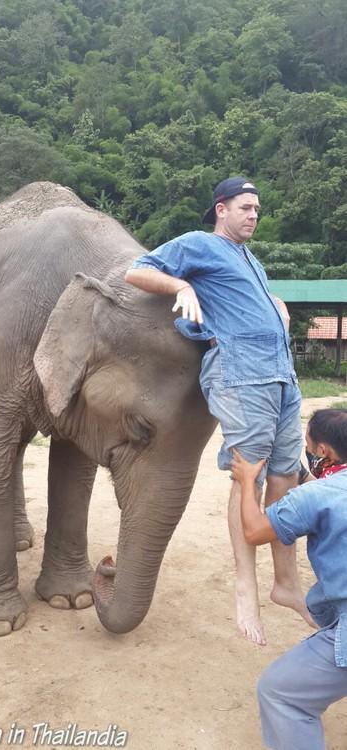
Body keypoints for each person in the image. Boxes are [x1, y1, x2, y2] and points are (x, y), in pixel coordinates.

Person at [125, 176, 314, 645]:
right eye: (245, 207)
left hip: (282, 375)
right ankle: (245, 585)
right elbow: (136, 269)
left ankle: (286, 583)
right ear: (221, 209)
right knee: (248, 473)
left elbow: (247, 301)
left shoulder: (251, 259)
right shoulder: (199, 244)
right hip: (240, 370)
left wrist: (276, 306)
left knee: (286, 477)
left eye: (257, 209)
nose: (253, 215)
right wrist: (179, 285)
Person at [230, 408, 347, 750]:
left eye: (306, 441)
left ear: (322, 450)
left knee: (281, 693)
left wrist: (249, 481)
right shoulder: (326, 489)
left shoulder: (316, 497)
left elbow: (254, 531)